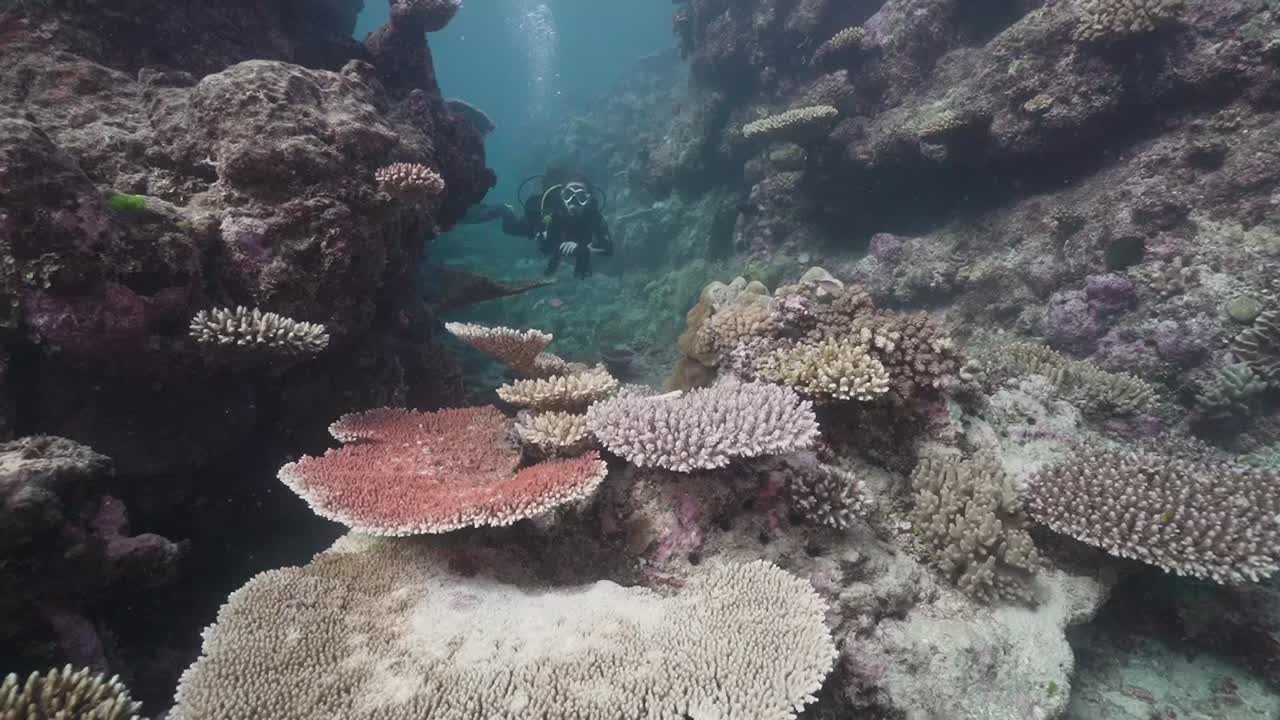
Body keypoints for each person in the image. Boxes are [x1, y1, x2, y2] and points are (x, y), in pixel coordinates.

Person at [461, 169, 614, 278]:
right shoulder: (551, 209)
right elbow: (545, 246)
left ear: (589, 199)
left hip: (562, 243)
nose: (573, 202)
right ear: (561, 195)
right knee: (508, 228)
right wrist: (541, 232)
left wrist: (582, 249)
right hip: (537, 228)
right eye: (569, 195)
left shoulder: (593, 216)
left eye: (581, 197)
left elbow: (608, 248)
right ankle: (502, 209)